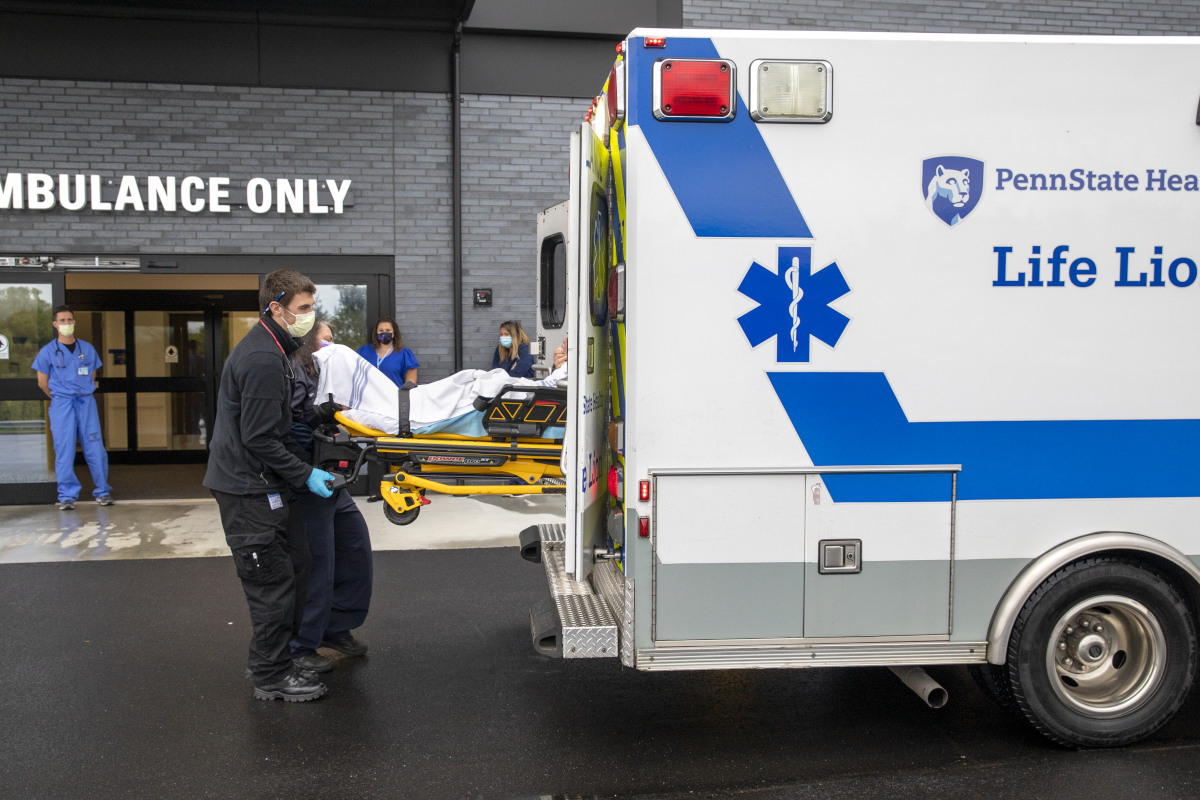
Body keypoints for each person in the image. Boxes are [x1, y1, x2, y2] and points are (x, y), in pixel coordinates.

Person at [202, 269, 338, 703]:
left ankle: (282, 658)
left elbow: (275, 423)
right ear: (275, 308)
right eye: (302, 309)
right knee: (272, 584)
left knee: (295, 567)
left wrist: (319, 416)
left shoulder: (276, 349)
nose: (309, 317)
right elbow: (258, 438)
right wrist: (305, 474)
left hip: (263, 484)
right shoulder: (262, 357)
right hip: (246, 490)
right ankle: (270, 674)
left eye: (311, 308)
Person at [287, 321, 373, 674]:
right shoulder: (294, 369)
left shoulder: (321, 372)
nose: (330, 345)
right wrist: (310, 467)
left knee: (354, 546)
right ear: (308, 341)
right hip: (307, 478)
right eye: (325, 339)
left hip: (330, 478)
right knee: (318, 562)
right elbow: (289, 425)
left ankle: (335, 627)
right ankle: (301, 644)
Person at [314, 338, 568, 437]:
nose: (558, 349)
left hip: (464, 397)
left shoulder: (565, 379)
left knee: (487, 380)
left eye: (563, 349)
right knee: (484, 380)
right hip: (430, 404)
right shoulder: (361, 411)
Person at [32, 305, 114, 510]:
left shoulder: (86, 349)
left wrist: (79, 390)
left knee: (96, 448)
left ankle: (103, 492)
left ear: (74, 322)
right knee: (64, 450)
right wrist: (60, 396)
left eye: (70, 320)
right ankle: (67, 495)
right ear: (55, 324)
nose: (66, 324)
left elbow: (92, 375)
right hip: (62, 404)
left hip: (86, 402)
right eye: (62, 321)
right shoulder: (48, 352)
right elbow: (42, 382)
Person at [357, 316, 419, 387]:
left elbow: (410, 383)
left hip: (393, 396)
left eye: (388, 330)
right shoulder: (364, 351)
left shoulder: (404, 354)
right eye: (381, 330)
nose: (384, 333)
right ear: (376, 333)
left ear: (394, 333)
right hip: (368, 396)